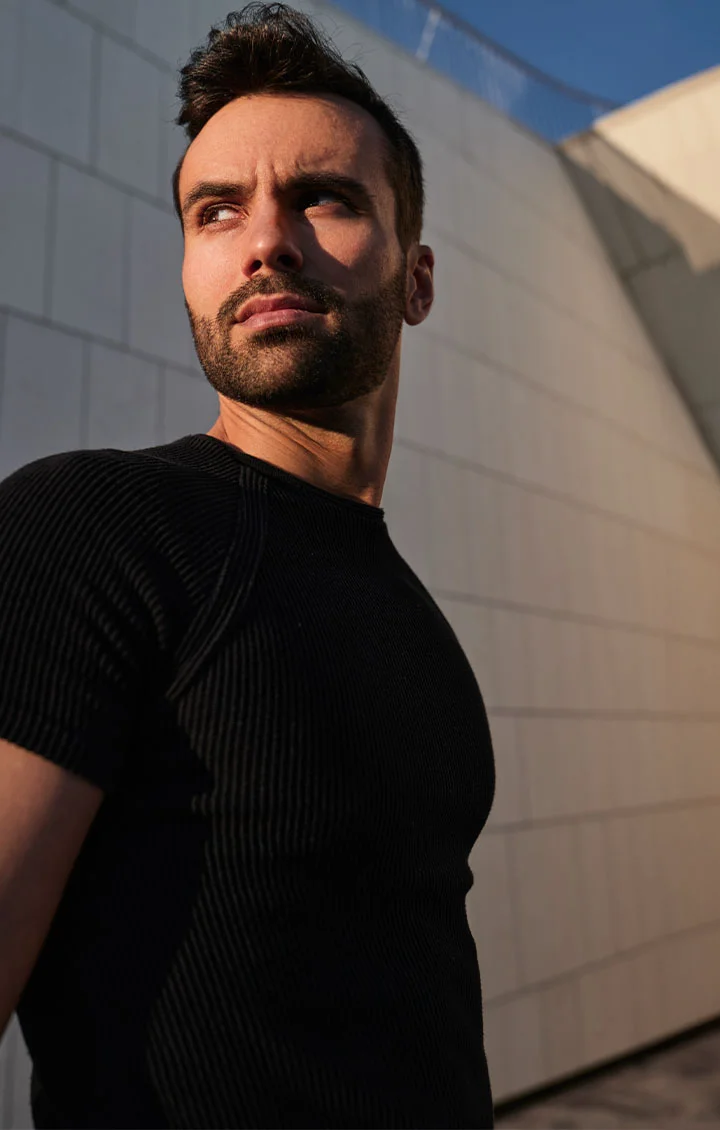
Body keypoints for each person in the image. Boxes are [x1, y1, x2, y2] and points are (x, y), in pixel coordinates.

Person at [0, 3, 496, 1126]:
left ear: (416, 280)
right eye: (216, 210)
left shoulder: (412, 616)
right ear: (187, 270)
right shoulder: (94, 529)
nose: (265, 239)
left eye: (322, 197)